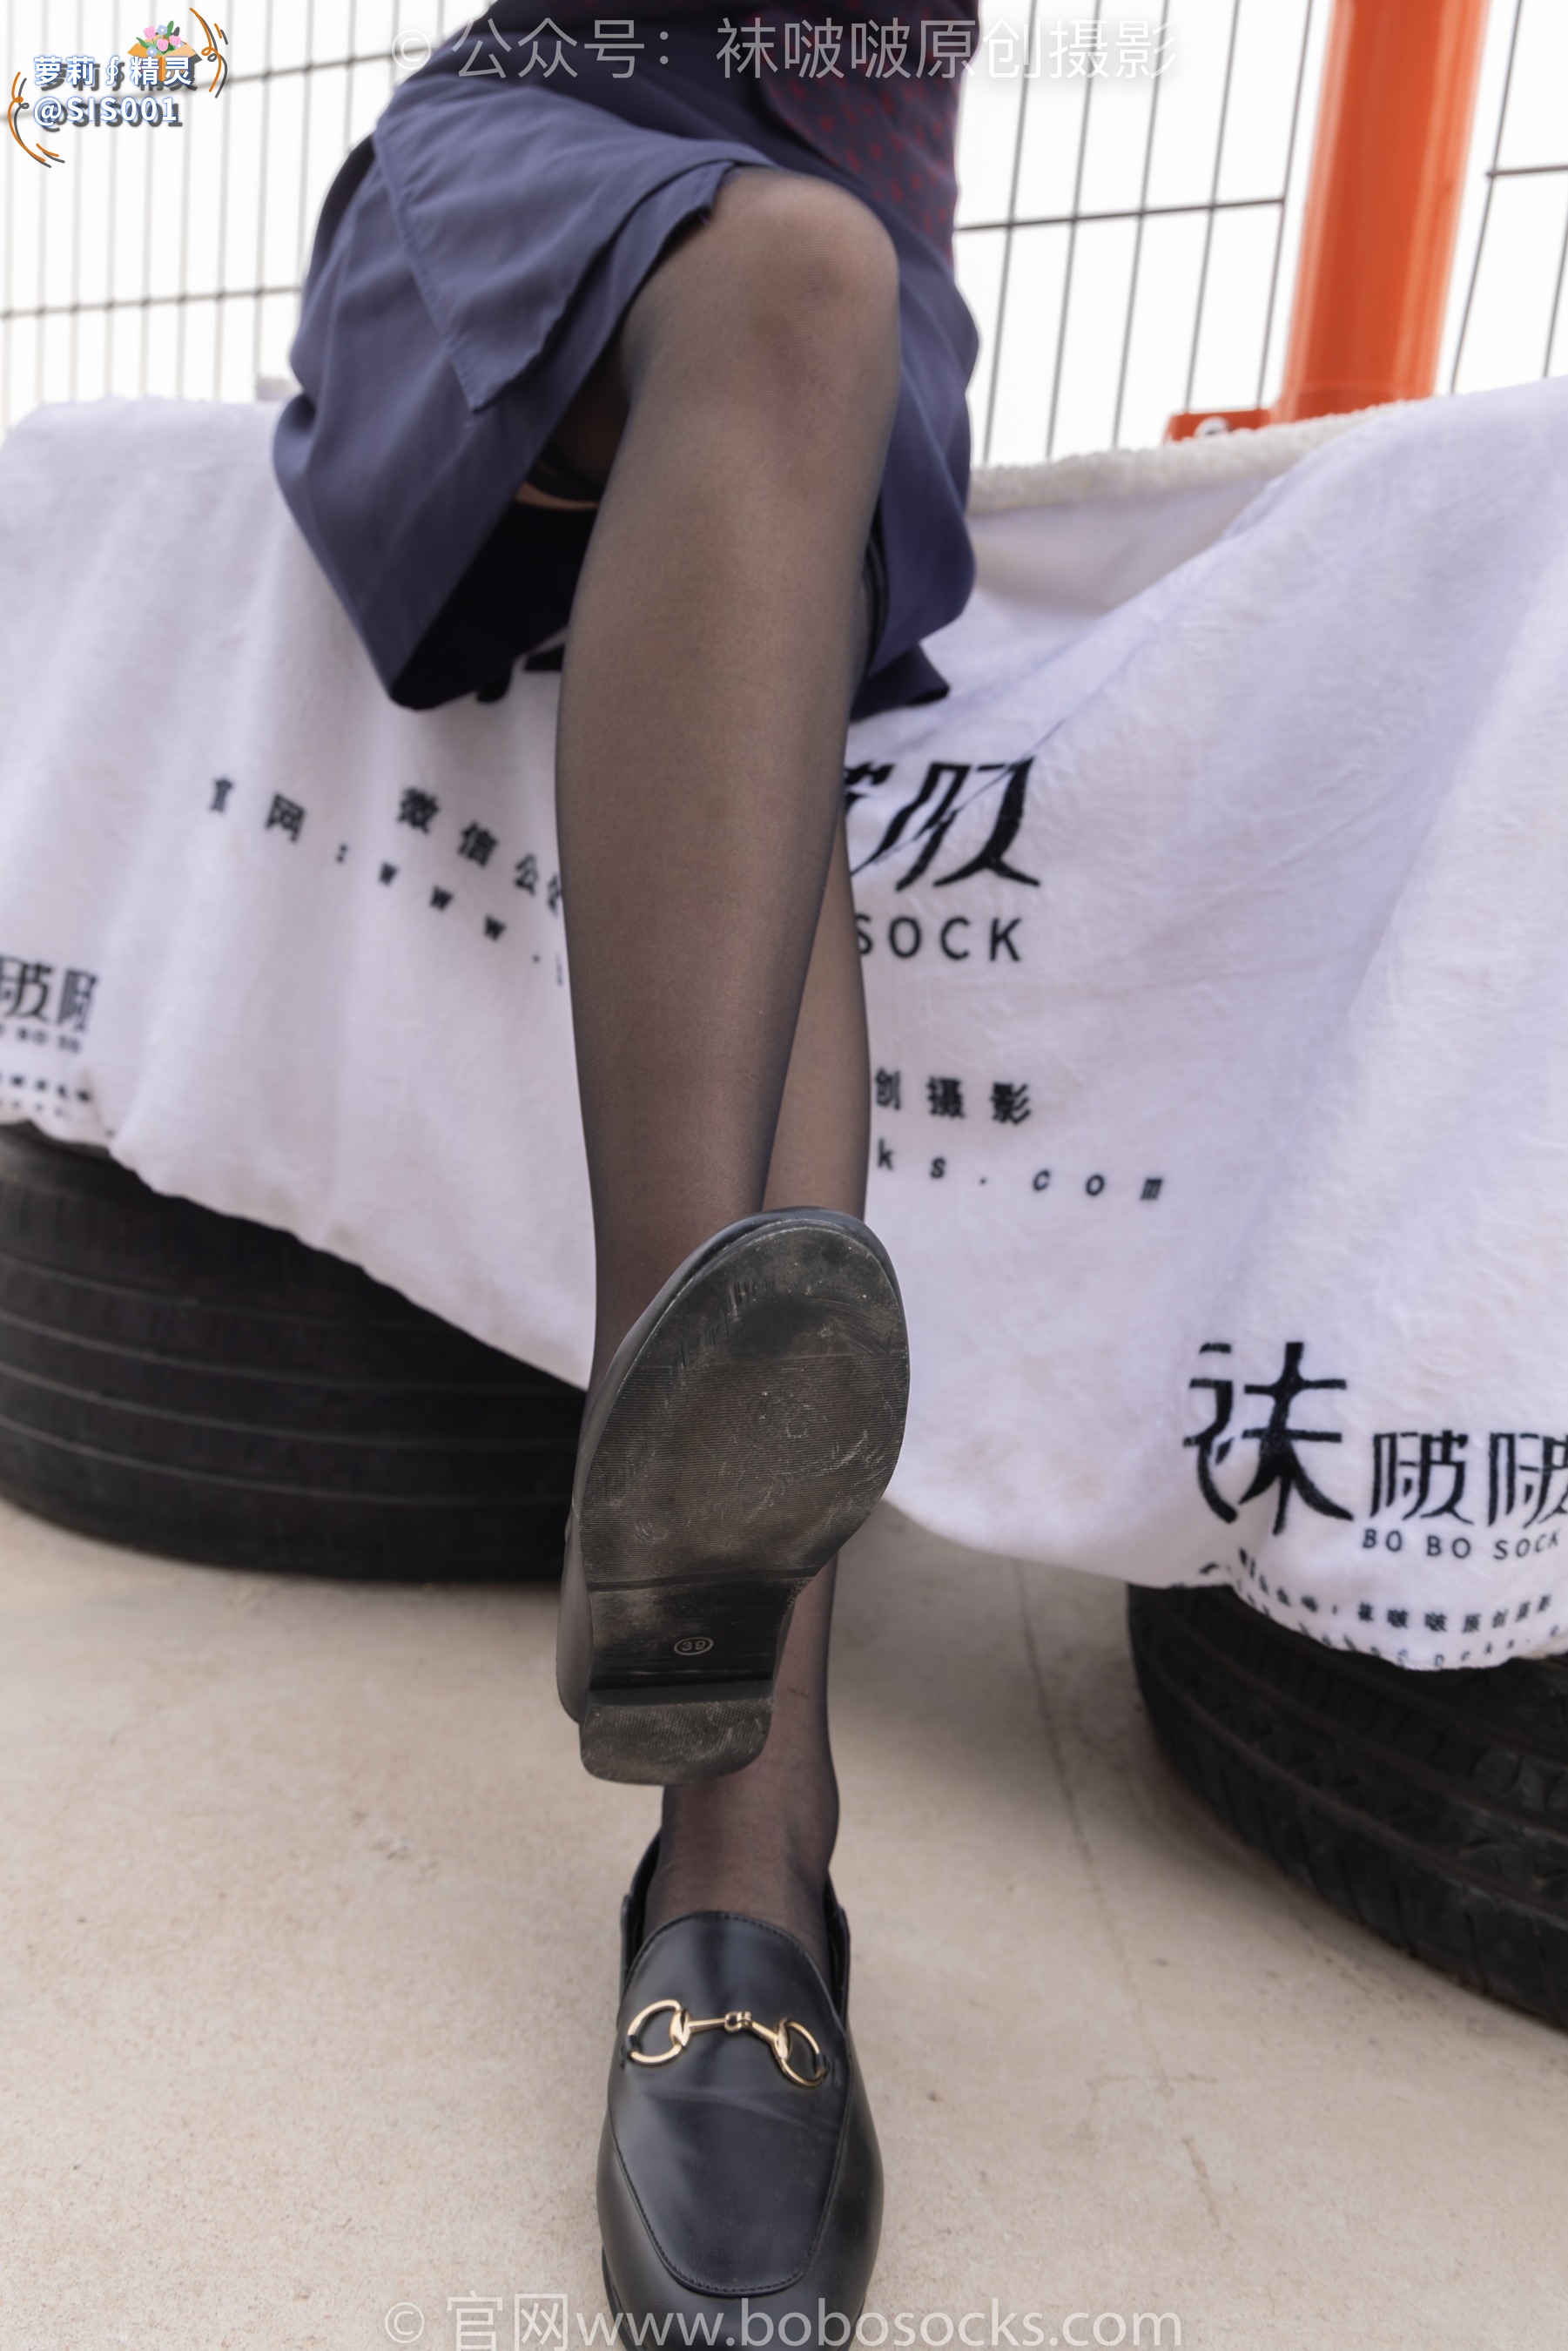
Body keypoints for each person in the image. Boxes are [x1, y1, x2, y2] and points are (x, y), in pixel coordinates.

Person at [274, 4, 979, 2334]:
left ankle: (712, 1685)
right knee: (785, 277)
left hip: (855, 255)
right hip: (548, 154)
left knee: (816, 312)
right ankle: (746, 1835)